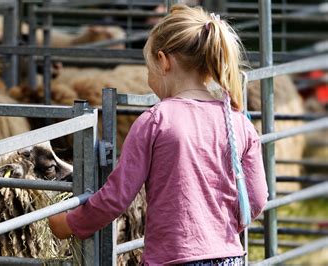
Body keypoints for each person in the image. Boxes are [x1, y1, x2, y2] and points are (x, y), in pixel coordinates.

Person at [48, 4, 268, 265]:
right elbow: (256, 199)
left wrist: (69, 223)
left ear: (164, 62)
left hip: (172, 259)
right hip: (230, 256)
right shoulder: (238, 122)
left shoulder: (155, 121)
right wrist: (214, 230)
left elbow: (116, 197)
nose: (148, 77)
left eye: (148, 68)